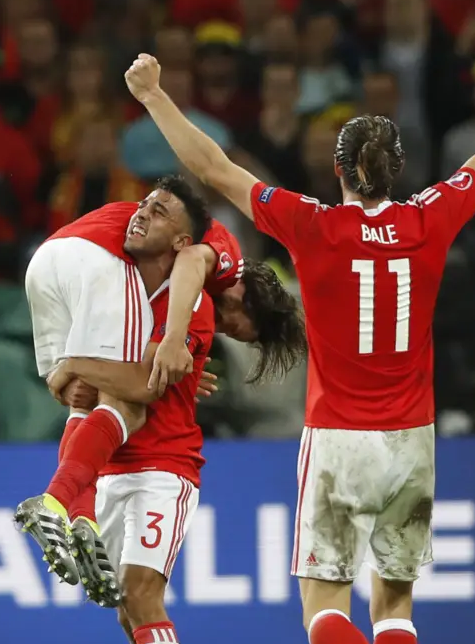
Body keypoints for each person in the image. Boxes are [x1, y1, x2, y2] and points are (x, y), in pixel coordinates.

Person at [123, 24, 475, 644]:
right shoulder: (430, 218)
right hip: (413, 440)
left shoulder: (312, 224)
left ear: (337, 171)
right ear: (400, 170)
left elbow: (213, 168)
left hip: (336, 439)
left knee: (323, 602)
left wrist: (156, 94)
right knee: (394, 599)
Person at [17, 178, 306, 601]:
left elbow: (75, 386)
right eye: (238, 329)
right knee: (131, 400)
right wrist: (175, 337)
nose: (226, 329)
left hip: (46, 263)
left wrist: (182, 356)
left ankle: (82, 518)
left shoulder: (168, 281)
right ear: (249, 302)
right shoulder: (225, 258)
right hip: (99, 259)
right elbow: (191, 260)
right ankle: (56, 502)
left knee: (82, 399)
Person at [47, 257, 214, 644]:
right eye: (142, 210)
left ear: (181, 241)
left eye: (159, 211)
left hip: (163, 467)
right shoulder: (117, 300)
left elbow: (143, 380)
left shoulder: (189, 303)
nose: (142, 218)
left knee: (143, 595)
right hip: (116, 467)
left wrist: (76, 367)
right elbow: (81, 385)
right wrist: (78, 374)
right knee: (128, 613)